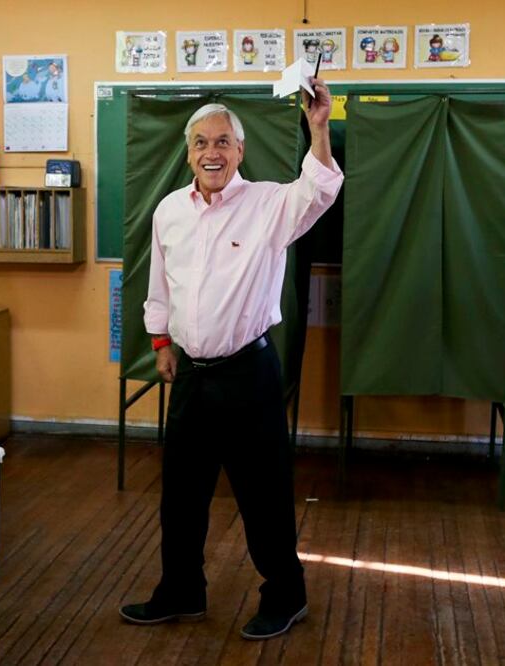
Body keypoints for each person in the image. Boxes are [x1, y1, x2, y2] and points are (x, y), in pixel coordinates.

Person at [120, 81, 343, 640]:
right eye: (200, 143)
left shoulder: (271, 203)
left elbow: (321, 189)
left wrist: (319, 127)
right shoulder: (170, 210)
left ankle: (286, 597)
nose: (211, 152)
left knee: (263, 497)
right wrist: (160, 343)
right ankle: (181, 591)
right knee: (181, 496)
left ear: (240, 151)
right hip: (191, 374)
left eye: (222, 141)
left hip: (249, 372)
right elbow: (159, 285)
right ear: (188, 151)